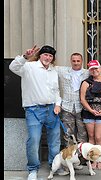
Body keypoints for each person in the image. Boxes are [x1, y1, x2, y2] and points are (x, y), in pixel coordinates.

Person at [9, 45, 63, 180]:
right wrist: (25, 57)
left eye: (51, 56)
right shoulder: (29, 67)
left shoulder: (53, 71)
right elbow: (13, 67)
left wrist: (58, 104)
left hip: (52, 110)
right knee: (33, 140)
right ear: (40, 55)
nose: (48, 58)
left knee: (55, 140)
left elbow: (56, 90)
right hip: (33, 110)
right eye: (45, 55)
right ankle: (33, 169)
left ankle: (54, 165)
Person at [80, 60, 101, 170]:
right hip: (89, 113)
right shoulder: (86, 82)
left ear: (100, 68)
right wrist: (90, 110)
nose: (94, 71)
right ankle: (92, 160)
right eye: (92, 69)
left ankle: (100, 159)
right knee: (91, 137)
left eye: (96, 68)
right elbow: (82, 98)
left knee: (99, 137)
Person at [55, 53, 89, 146]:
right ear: (71, 61)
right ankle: (69, 157)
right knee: (68, 134)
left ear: (82, 61)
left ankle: (82, 157)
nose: (76, 63)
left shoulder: (87, 72)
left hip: (82, 107)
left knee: (83, 134)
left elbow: (100, 74)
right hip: (67, 107)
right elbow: (49, 67)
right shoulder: (62, 71)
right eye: (74, 61)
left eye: (78, 61)